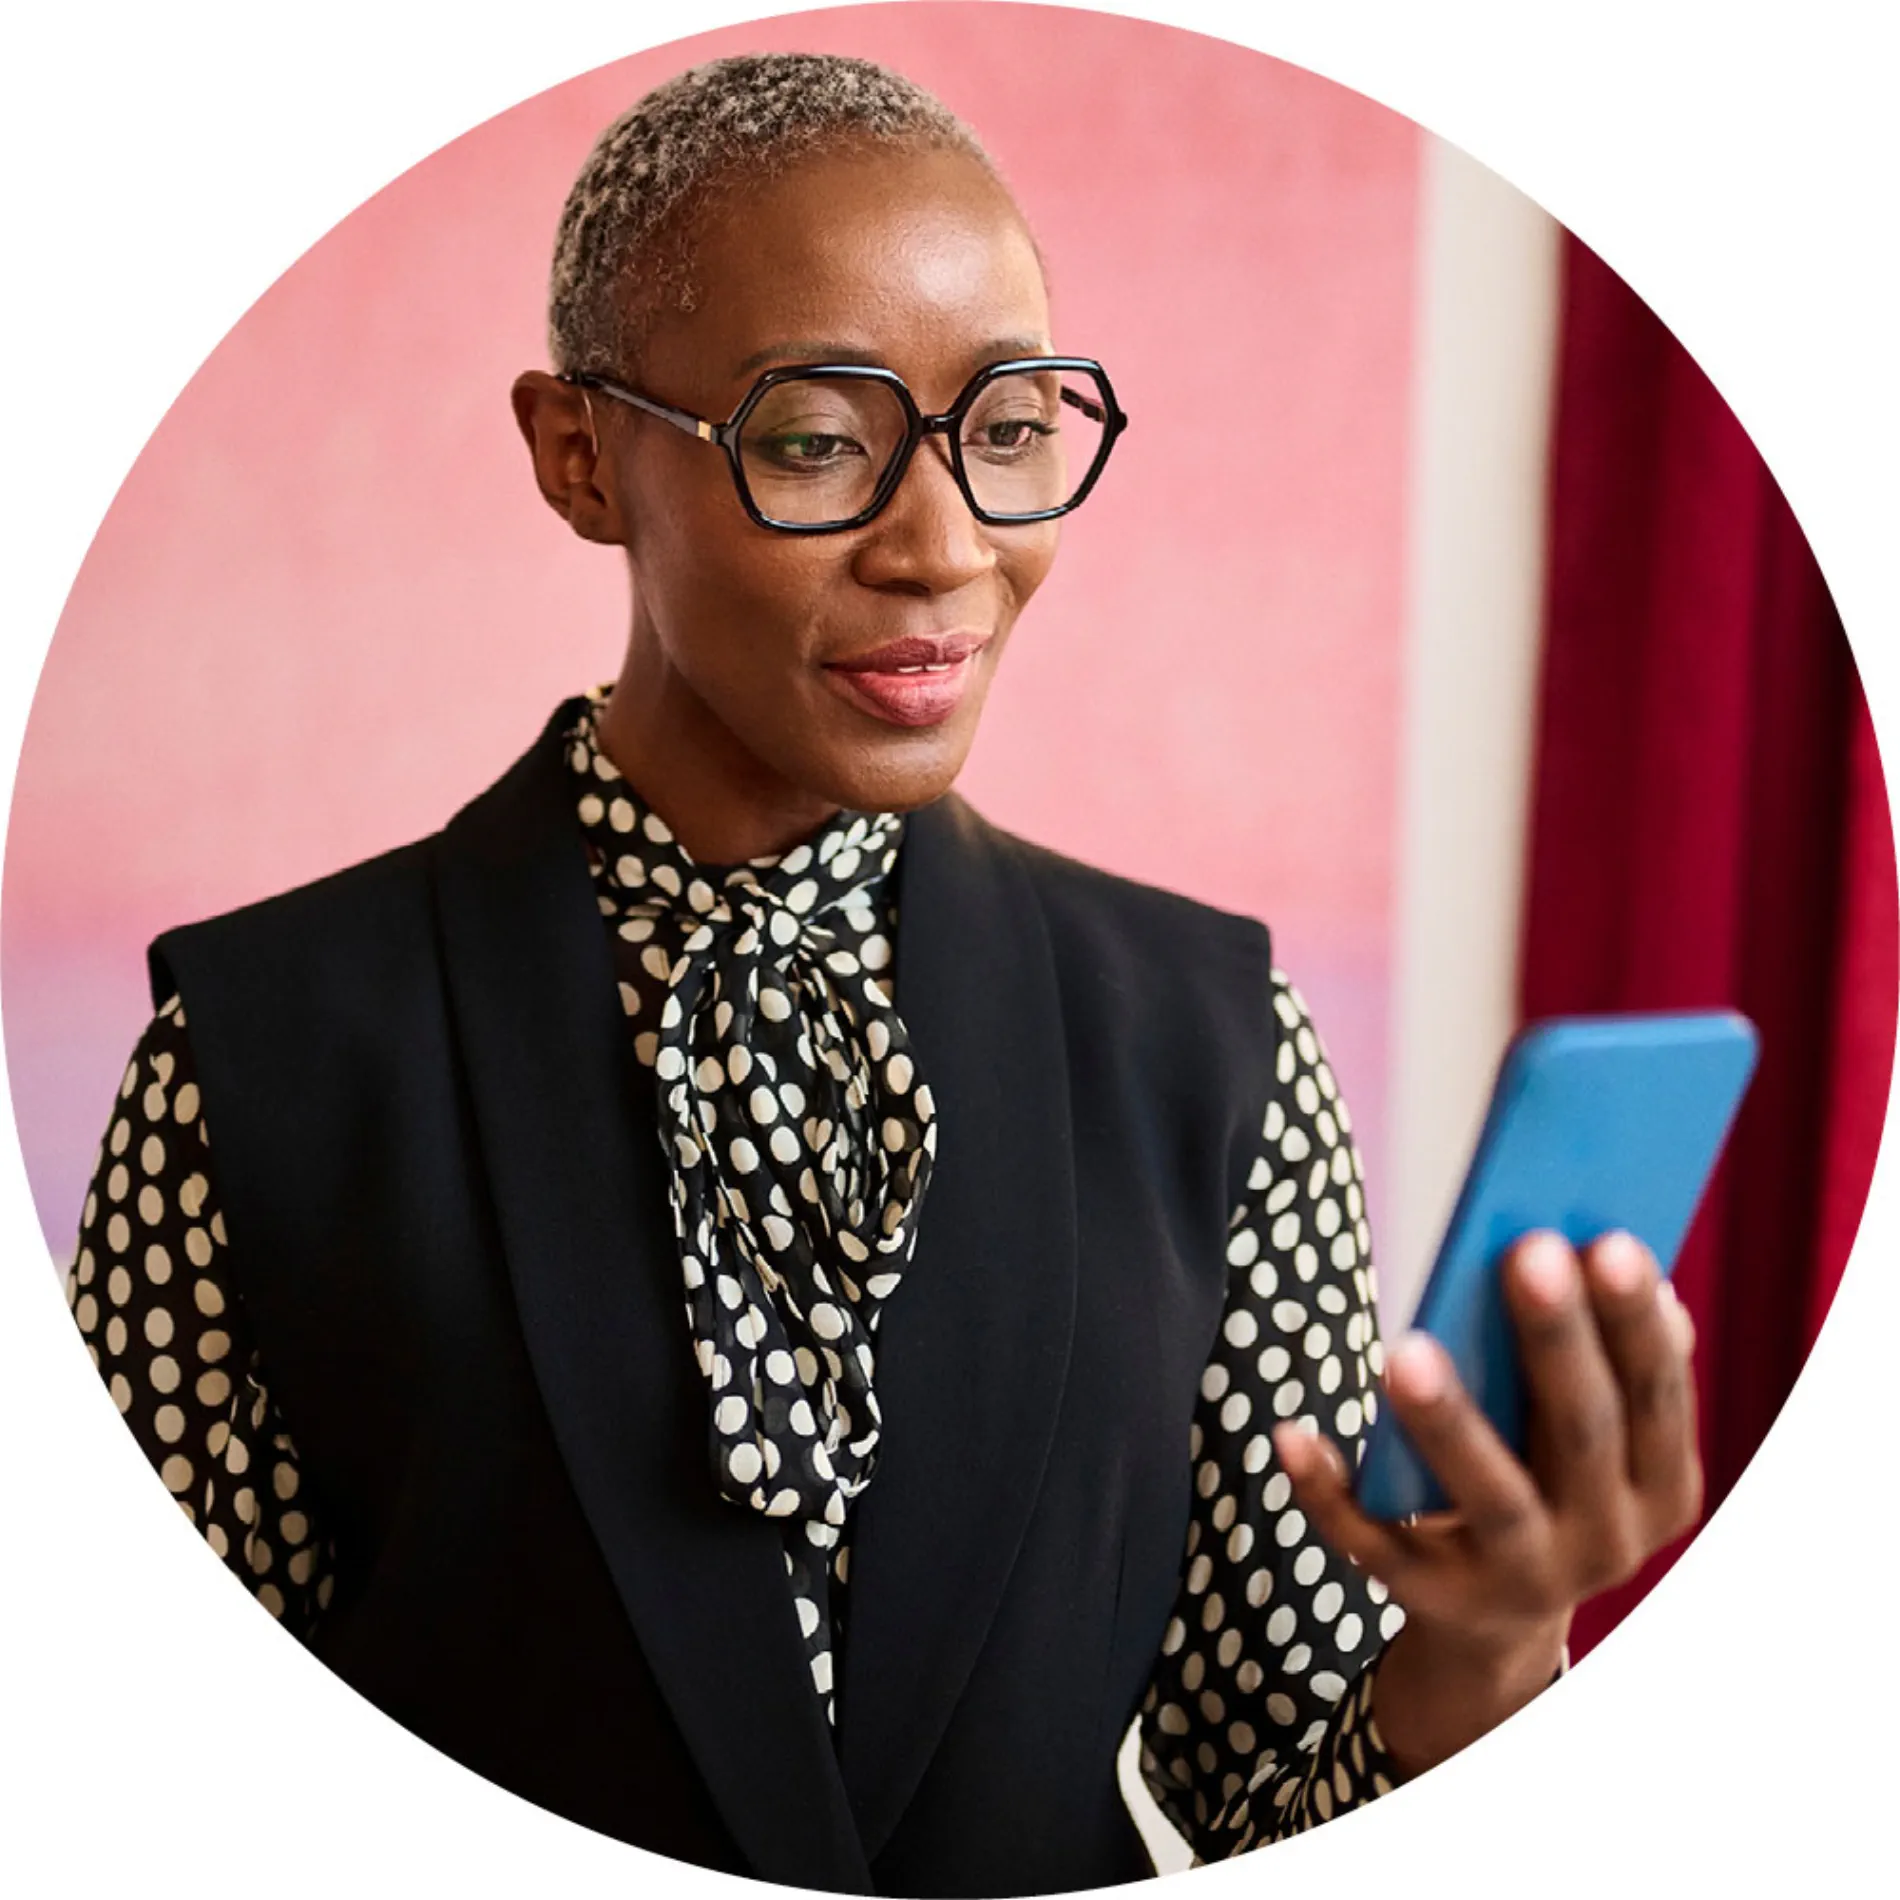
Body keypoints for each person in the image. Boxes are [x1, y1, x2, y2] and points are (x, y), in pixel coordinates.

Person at [64, 52, 1702, 1898]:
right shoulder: (254, 1063)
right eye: (814, 440)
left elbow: (1283, 1795)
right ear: (579, 454)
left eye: (1008, 425)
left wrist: (1490, 1639)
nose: (946, 546)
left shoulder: (1213, 1048)